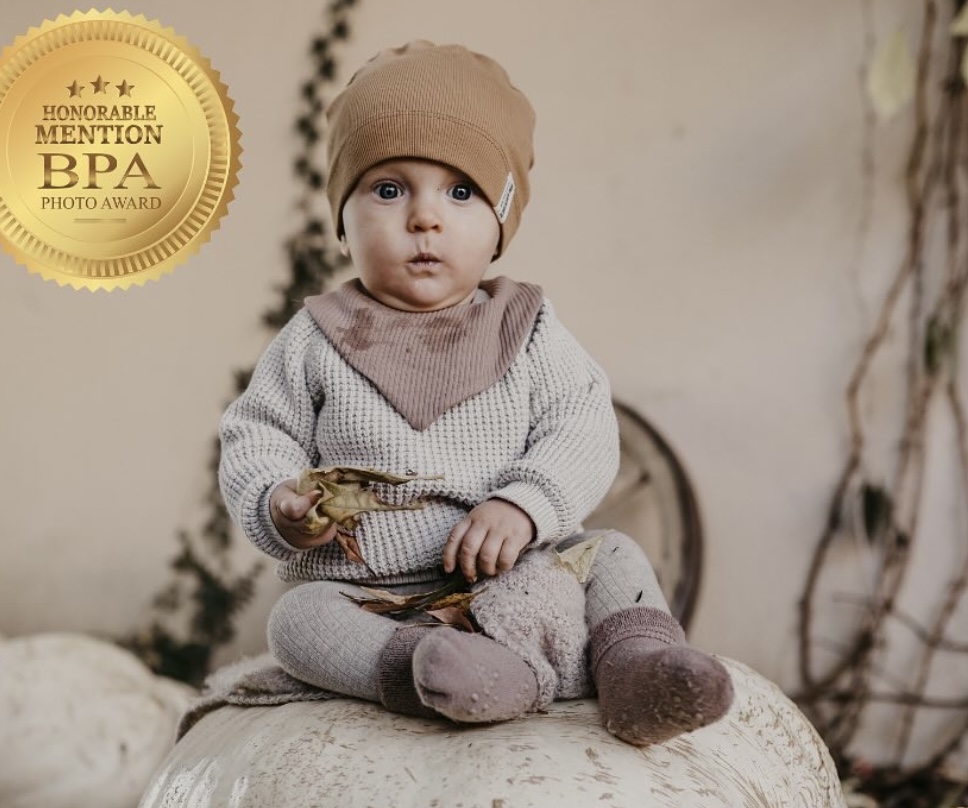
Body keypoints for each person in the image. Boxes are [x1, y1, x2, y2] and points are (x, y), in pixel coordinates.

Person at [219, 40, 733, 745]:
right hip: (378, 596)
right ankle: (434, 671)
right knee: (297, 622)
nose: (424, 218)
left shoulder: (526, 327)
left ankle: (637, 670)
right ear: (341, 223)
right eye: (388, 189)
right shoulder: (315, 339)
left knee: (613, 554)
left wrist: (524, 503)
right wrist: (281, 503)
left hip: (515, 574)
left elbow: (582, 425)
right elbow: (256, 433)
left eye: (460, 192)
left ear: (500, 225)